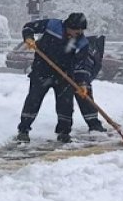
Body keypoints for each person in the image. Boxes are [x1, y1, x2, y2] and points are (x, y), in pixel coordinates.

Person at [17, 12, 105, 143]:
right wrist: (29, 38)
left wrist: (82, 84)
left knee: (65, 105)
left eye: (81, 29)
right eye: (77, 29)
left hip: (64, 75)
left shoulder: (82, 43)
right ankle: (23, 130)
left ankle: (64, 133)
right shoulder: (52, 25)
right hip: (42, 71)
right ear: (69, 26)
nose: (79, 32)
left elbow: (81, 66)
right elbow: (28, 27)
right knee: (33, 101)